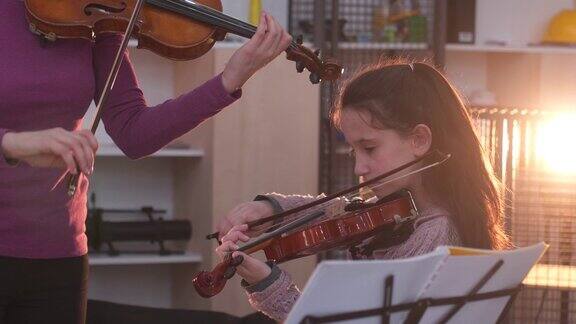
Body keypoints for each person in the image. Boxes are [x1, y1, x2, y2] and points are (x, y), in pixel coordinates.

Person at [0, 1, 292, 323]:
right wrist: (11, 144)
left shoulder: (93, 13)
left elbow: (133, 133)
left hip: (57, 252)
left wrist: (230, 79)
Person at [215, 59, 511, 322]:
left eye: (369, 148)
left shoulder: (433, 236)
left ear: (419, 140)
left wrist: (270, 285)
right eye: (353, 151)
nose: (359, 167)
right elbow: (338, 213)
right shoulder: (400, 209)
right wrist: (272, 210)